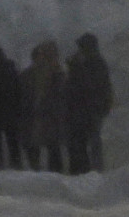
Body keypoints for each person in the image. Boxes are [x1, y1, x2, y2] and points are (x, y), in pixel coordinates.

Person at [64, 33, 115, 174]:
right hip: (85, 109)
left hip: (89, 109)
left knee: (90, 141)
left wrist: (76, 67)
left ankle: (92, 170)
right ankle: (86, 169)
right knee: (84, 141)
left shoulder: (95, 63)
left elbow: (90, 85)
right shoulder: (94, 63)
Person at [19, 40, 65, 173]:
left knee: (52, 145)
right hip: (34, 114)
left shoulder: (57, 74)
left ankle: (54, 173)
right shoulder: (28, 75)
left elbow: (62, 95)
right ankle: (37, 170)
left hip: (50, 115)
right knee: (33, 144)